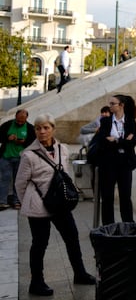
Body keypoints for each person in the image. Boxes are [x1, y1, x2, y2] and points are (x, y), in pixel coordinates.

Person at [15, 113, 96, 296]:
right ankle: (36, 283)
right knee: (40, 244)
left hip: (60, 204)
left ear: (53, 128)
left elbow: (66, 173)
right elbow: (20, 184)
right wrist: (28, 201)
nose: (42, 131)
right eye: (38, 128)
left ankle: (80, 273)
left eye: (46, 127)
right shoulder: (28, 155)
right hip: (38, 206)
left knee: (72, 238)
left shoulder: (63, 149)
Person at [95, 94, 136, 225]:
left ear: (121, 105)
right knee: (107, 197)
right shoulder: (105, 122)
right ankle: (108, 226)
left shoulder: (130, 121)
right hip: (108, 164)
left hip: (125, 164)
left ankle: (128, 225)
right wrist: (123, 141)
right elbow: (103, 142)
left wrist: (115, 140)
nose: (110, 106)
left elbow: (133, 142)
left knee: (125, 196)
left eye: (112, 104)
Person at [0, 109, 36, 210]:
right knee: (4, 179)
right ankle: (2, 201)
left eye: (22, 121)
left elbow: (33, 143)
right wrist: (8, 138)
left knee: (19, 180)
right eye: (18, 120)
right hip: (5, 157)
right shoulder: (7, 125)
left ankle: (17, 201)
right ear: (15, 117)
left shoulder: (30, 128)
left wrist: (23, 142)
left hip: (21, 158)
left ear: (26, 119)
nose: (20, 122)